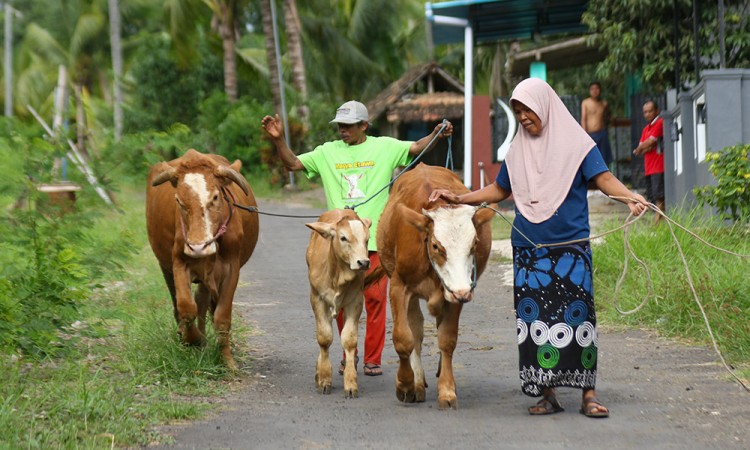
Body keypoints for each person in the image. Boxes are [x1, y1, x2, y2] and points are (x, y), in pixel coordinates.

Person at [429, 78, 647, 418]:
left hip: (570, 248)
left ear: (545, 105)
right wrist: (459, 197)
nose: (523, 117)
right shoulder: (517, 150)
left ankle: (588, 393)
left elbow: (604, 180)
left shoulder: (579, 145)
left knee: (578, 319)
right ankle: (548, 394)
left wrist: (631, 197)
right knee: (536, 323)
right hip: (530, 252)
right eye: (517, 112)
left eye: (527, 109)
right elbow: (500, 191)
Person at [261, 101, 453, 377]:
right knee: (339, 300)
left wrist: (436, 133)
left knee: (375, 300)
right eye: (340, 126)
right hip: (340, 246)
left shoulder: (384, 146)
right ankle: (347, 352)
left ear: (364, 126)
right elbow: (292, 163)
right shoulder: (327, 152)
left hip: (374, 242)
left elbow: (415, 148)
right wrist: (279, 140)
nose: (342, 131)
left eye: (348, 126)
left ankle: (372, 359)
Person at [633, 100, 665, 223]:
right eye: (645, 112)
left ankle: (657, 225)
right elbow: (642, 147)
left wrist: (643, 147)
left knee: (659, 197)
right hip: (649, 168)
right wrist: (643, 147)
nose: (647, 114)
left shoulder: (660, 122)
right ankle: (660, 223)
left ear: (656, 111)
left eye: (650, 111)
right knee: (653, 197)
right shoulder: (646, 128)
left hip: (658, 166)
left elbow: (650, 143)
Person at [581, 81, 613, 167]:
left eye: (597, 88)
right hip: (590, 135)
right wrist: (584, 135)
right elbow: (583, 119)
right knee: (591, 159)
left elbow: (609, 117)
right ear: (589, 91)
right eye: (592, 89)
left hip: (602, 134)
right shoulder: (585, 103)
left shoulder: (604, 103)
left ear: (600, 90)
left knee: (604, 160)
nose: (595, 91)